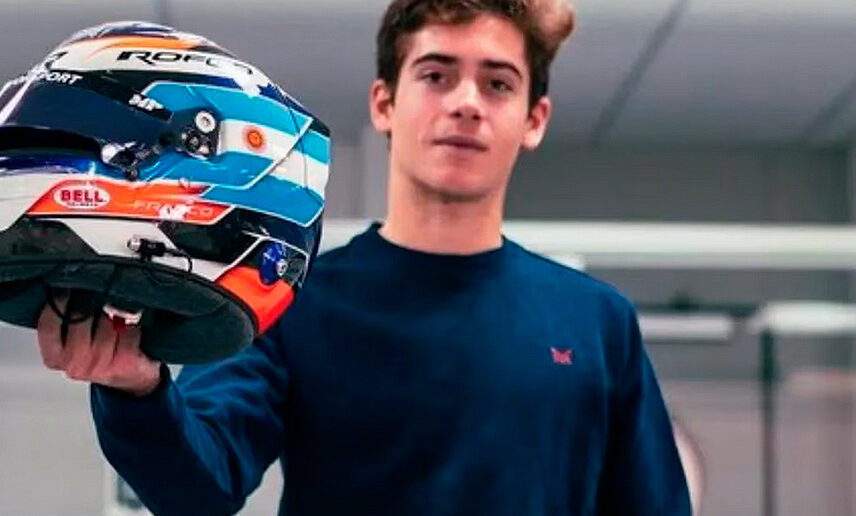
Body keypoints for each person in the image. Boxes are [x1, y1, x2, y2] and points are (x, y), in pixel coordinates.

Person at [36, 0, 692, 514]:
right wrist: (136, 391)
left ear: (535, 118)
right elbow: (197, 488)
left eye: (498, 83)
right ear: (384, 103)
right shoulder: (289, 298)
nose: (466, 102)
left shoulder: (597, 323)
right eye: (436, 75)